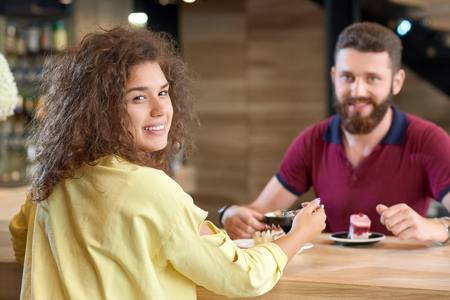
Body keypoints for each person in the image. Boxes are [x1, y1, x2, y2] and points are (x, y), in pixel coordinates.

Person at [8, 25, 326, 300]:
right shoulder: (152, 190)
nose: (161, 110)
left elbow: (23, 242)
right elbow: (244, 276)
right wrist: (300, 232)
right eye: (139, 97)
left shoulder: (54, 178)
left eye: (163, 92)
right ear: (99, 110)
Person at [221, 22, 450, 245]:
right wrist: (229, 214)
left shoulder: (429, 140)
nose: (357, 91)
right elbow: (259, 212)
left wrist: (437, 227)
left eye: (372, 78)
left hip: (400, 279)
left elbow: (439, 228)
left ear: (396, 82)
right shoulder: (312, 141)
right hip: (328, 278)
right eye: (347, 77)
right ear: (333, 77)